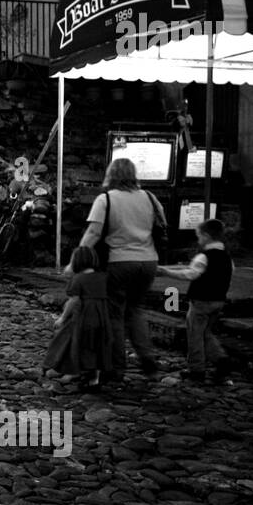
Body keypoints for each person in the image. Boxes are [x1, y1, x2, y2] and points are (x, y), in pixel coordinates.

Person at [79, 157, 167, 378]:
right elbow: (162, 224)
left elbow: (94, 233)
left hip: (119, 261)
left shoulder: (105, 199)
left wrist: (76, 259)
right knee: (135, 310)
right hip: (148, 261)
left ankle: (117, 367)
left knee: (114, 314)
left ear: (112, 174)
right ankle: (147, 359)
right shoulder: (150, 197)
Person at [159, 218, 234, 382]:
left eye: (199, 236)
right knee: (206, 333)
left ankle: (197, 369)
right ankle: (221, 359)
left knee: (194, 335)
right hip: (219, 300)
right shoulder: (227, 258)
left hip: (201, 300)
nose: (198, 239)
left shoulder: (203, 257)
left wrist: (165, 272)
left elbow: (190, 274)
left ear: (206, 236)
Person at [45, 245, 115, 390]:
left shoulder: (79, 279)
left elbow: (73, 300)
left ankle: (74, 371)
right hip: (102, 317)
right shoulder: (103, 277)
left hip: (84, 317)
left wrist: (63, 318)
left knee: (79, 345)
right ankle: (94, 379)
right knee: (97, 346)